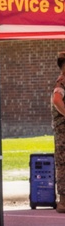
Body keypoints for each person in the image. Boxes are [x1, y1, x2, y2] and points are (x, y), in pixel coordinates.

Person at [50, 52, 65, 213]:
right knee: (63, 165)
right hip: (63, 133)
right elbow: (56, 100)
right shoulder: (61, 83)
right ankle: (63, 201)